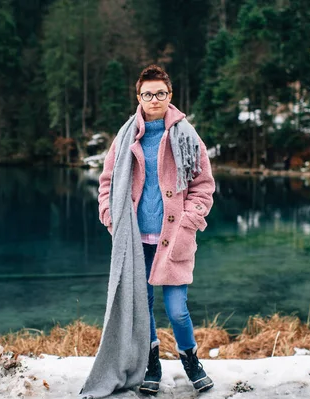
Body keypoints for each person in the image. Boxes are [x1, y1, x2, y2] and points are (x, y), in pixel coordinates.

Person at [90, 65, 216, 396]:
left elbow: (203, 186)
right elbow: (107, 182)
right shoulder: (125, 136)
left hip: (174, 239)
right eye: (148, 94)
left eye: (160, 93)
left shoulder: (188, 135)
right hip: (134, 240)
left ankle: (192, 362)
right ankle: (151, 364)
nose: (154, 99)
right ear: (139, 97)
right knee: (141, 308)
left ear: (170, 95)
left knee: (177, 310)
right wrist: (109, 215)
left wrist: (190, 220)